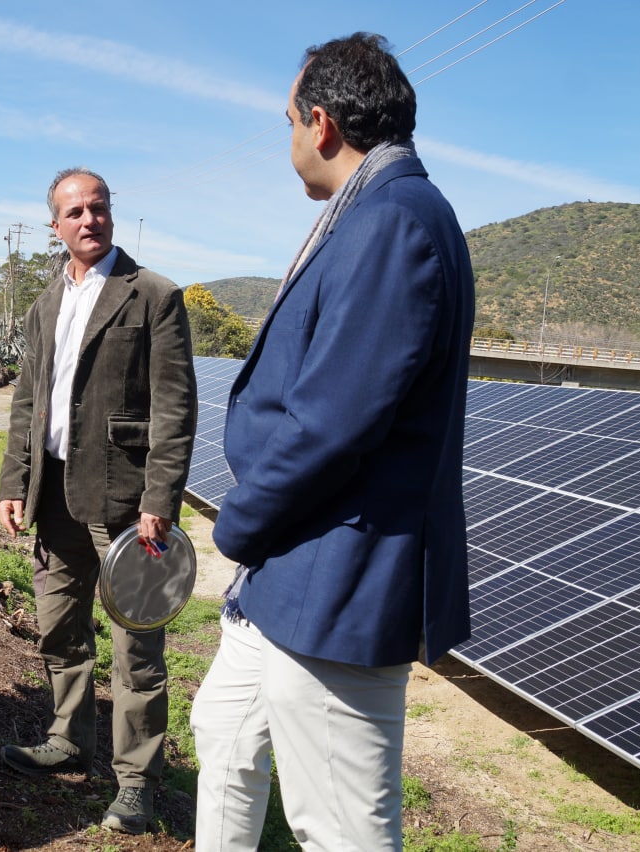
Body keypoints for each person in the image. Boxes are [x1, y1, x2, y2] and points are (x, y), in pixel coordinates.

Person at [190, 33, 475, 850]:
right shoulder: (379, 214)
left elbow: (332, 421)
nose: (287, 141)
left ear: (320, 124)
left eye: (287, 121)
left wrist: (239, 523)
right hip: (291, 571)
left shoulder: (394, 223)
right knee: (226, 736)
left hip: (337, 580)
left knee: (340, 827)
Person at [0, 167, 197, 835]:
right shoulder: (45, 301)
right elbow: (29, 402)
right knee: (58, 625)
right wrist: (12, 482)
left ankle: (136, 780)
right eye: (75, 211)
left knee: (135, 649)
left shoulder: (154, 297)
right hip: (52, 495)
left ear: (111, 214)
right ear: (55, 225)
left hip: (126, 501)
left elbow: (175, 408)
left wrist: (160, 496)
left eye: (99, 207)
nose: (89, 219)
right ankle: (69, 738)